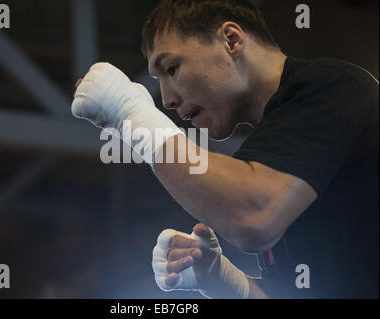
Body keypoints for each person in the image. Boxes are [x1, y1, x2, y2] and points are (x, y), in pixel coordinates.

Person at [72, 0, 378, 298]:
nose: (166, 100)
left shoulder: (335, 88)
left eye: (172, 68)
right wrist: (221, 280)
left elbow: (253, 219)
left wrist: (131, 116)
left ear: (231, 40)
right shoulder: (276, 154)